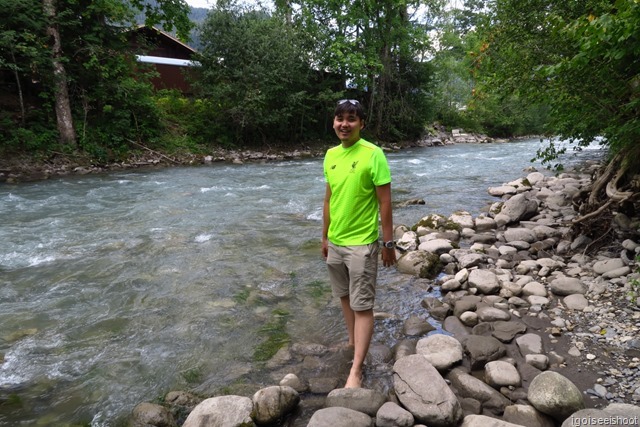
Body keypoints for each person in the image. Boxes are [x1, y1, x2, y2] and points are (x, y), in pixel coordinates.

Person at [321, 99, 396, 388]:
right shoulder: (330, 155)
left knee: (362, 305)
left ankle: (356, 370)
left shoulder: (373, 154)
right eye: (340, 118)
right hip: (336, 241)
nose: (344, 124)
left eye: (351, 119)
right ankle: (352, 342)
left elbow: (385, 203)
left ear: (361, 124)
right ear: (333, 122)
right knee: (343, 296)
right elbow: (329, 199)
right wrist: (324, 237)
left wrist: (388, 244)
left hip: (362, 243)